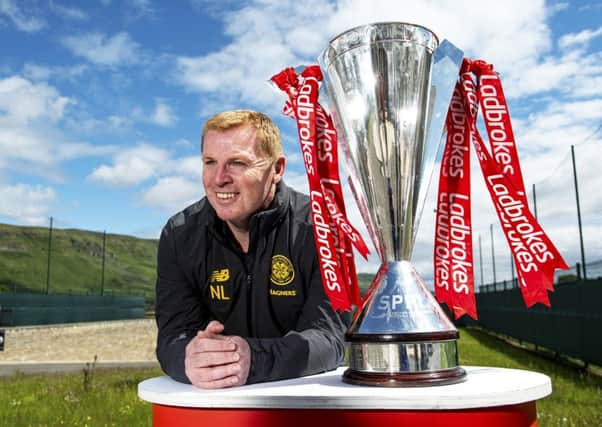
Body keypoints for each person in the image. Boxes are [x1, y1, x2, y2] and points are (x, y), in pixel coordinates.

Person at [155, 109, 348, 389]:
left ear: (277, 169)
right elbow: (173, 337)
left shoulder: (322, 229)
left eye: (237, 163)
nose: (219, 178)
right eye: (209, 162)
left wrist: (254, 359)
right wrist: (189, 358)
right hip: (216, 404)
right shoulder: (179, 234)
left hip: (305, 403)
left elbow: (330, 338)